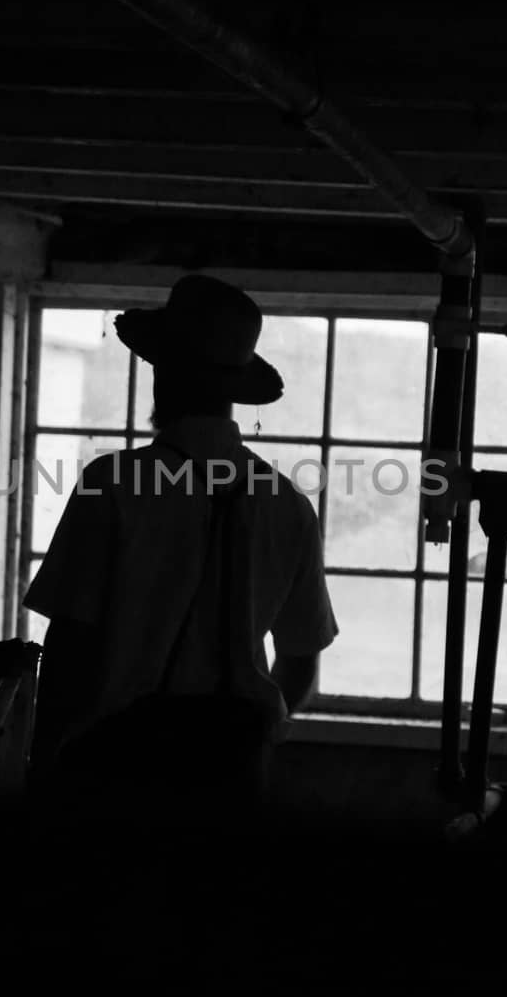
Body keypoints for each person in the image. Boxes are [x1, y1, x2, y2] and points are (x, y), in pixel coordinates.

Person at [24, 274, 338, 828]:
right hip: (234, 776)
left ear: (160, 374)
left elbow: (70, 646)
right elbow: (300, 661)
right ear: (234, 390)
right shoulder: (288, 506)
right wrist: (254, 736)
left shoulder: (113, 484)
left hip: (117, 766)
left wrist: (44, 763)